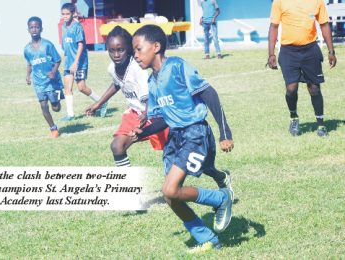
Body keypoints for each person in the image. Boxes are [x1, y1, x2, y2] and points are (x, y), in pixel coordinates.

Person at [131, 24, 234, 253]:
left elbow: (209, 93)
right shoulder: (152, 82)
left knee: (169, 189)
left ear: (156, 47)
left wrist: (225, 133)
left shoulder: (177, 66)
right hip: (175, 138)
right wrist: (143, 133)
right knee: (171, 196)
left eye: (138, 49)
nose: (135, 55)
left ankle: (220, 199)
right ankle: (207, 239)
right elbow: (164, 119)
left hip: (195, 133)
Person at [85, 26, 169, 167]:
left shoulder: (137, 69)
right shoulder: (112, 68)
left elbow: (148, 96)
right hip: (135, 114)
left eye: (120, 50)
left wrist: (147, 113)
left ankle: (213, 172)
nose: (116, 55)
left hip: (154, 114)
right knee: (117, 146)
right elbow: (117, 84)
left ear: (129, 49)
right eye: (112, 50)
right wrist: (98, 104)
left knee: (173, 153)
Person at [267, 0, 337, 137]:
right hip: (288, 50)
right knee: (291, 88)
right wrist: (271, 54)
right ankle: (294, 117)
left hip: (310, 49)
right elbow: (274, 26)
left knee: (314, 88)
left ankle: (321, 124)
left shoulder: (317, 1)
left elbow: (324, 24)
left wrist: (331, 51)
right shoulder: (279, 2)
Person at [59, 3, 107, 122]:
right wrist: (66, 56)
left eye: (67, 14)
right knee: (67, 88)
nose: (65, 16)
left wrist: (76, 62)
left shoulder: (77, 27)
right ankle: (70, 114)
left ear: (73, 13)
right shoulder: (64, 27)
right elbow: (66, 44)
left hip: (79, 62)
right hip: (68, 62)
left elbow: (81, 45)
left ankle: (102, 102)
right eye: (63, 14)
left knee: (81, 87)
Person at [24, 16, 64, 138]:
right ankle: (53, 128)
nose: (34, 29)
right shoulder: (27, 49)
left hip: (52, 81)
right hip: (39, 82)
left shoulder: (47, 45)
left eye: (37, 27)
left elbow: (58, 60)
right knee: (43, 105)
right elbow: (30, 63)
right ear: (28, 30)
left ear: (41, 29)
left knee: (56, 108)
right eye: (31, 27)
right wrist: (27, 75)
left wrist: (53, 71)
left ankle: (56, 101)